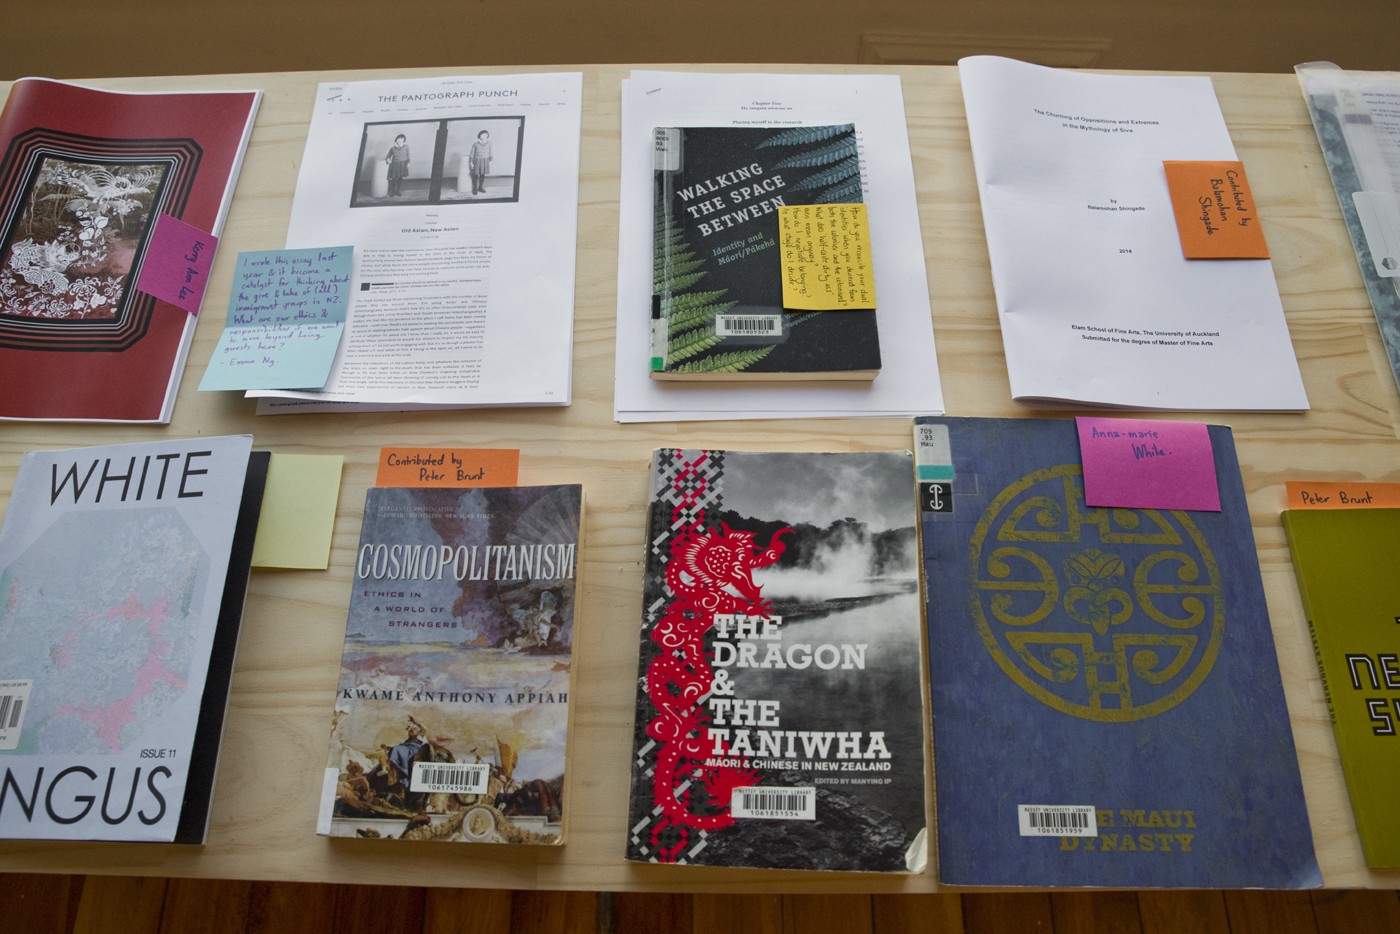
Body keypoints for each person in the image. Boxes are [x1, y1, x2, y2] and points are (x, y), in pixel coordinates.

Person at [468, 130, 492, 195]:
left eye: (485, 135)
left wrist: (490, 159)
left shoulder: (489, 143)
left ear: (487, 136)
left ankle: (480, 187)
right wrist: (471, 162)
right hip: (477, 160)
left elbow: (490, 152)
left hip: (485, 160)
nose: (484, 136)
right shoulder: (475, 144)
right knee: (475, 175)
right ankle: (475, 189)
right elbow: (472, 153)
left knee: (482, 175)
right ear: (479, 135)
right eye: (482, 135)